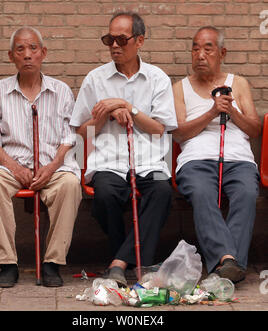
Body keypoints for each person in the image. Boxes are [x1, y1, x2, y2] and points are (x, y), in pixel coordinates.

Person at [70, 11, 177, 287]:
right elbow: (81, 132)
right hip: (109, 162)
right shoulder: (96, 79)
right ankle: (133, 259)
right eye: (109, 39)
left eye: (121, 39)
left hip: (150, 161)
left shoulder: (157, 78)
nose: (114, 45)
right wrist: (105, 113)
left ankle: (118, 263)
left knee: (163, 192)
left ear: (139, 41)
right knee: (104, 196)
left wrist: (129, 107)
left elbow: (159, 128)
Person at [0, 26, 82, 288]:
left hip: (52, 166)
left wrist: (53, 165)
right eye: (20, 49)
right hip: (10, 166)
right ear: (11, 56)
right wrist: (15, 167)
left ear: (43, 53)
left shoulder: (61, 90)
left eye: (33, 48)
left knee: (70, 185)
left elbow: (70, 137)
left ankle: (52, 263)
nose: (27, 54)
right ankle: (7, 263)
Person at [172, 26, 261, 283]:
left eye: (208, 49)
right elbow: (179, 132)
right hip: (196, 161)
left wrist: (232, 111)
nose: (200, 55)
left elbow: (255, 129)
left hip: (239, 160)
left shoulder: (239, 83)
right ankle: (230, 263)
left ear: (222, 53)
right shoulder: (180, 88)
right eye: (195, 48)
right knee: (201, 194)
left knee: (246, 193)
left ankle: (227, 264)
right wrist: (211, 113)